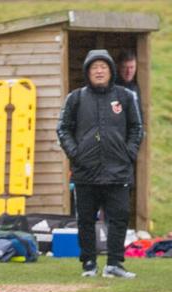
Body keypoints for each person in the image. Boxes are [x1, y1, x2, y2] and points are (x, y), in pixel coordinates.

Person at [56, 49, 143, 279]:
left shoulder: (125, 97)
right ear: (87, 71)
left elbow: (137, 128)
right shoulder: (76, 98)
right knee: (85, 220)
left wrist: (129, 153)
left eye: (103, 67)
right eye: (94, 67)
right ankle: (89, 265)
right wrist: (75, 154)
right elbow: (62, 128)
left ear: (110, 70)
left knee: (119, 218)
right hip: (85, 173)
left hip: (118, 172)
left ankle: (114, 264)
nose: (99, 71)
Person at [116, 50, 142, 115]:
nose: (129, 72)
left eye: (132, 67)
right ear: (119, 67)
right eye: (125, 68)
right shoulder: (112, 88)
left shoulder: (136, 86)